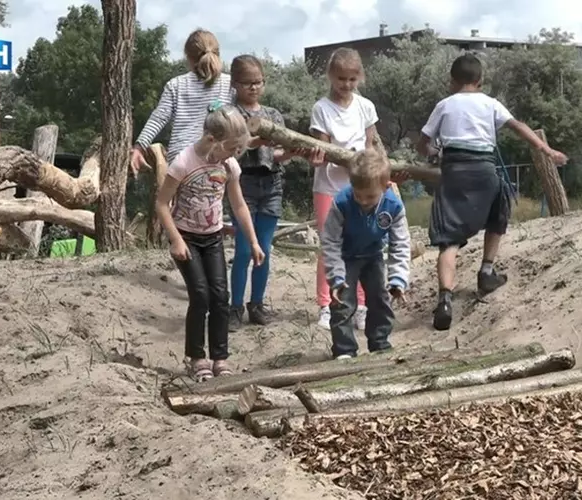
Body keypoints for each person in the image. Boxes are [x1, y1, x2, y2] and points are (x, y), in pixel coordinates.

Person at [417, 53, 568, 331]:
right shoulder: (491, 103)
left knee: (448, 239)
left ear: (452, 81)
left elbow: (423, 142)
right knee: (499, 213)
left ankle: (445, 300)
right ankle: (487, 272)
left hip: (453, 173)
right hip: (485, 171)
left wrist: (433, 153)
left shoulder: (444, 105)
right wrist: (547, 150)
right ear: (480, 81)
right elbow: (519, 127)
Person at [154, 101, 265, 382]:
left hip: (213, 237)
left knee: (220, 297)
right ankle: (196, 357)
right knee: (200, 295)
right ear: (211, 140)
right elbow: (162, 204)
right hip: (187, 238)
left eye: (237, 150)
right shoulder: (183, 163)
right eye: (231, 148)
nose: (234, 154)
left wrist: (253, 241)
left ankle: (220, 358)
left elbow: (238, 205)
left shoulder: (228, 165)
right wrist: (176, 240)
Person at [309, 47, 402, 331]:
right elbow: (323, 147)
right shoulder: (321, 108)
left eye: (351, 79)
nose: (346, 85)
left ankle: (359, 304)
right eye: (341, 79)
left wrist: (376, 170)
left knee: (363, 245)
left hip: (360, 186)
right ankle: (327, 303)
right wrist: (323, 156)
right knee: (331, 245)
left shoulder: (366, 107)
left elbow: (370, 145)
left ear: (359, 77)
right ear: (330, 77)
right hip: (329, 185)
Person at [226, 54, 308, 330]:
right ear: (235, 84)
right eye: (248, 83)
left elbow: (277, 154)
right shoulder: (228, 113)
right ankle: (234, 306)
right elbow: (231, 148)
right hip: (242, 186)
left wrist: (292, 152)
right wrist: (256, 140)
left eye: (258, 82)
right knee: (243, 250)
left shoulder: (272, 115)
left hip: (271, 185)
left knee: (265, 248)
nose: (253, 88)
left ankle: (257, 304)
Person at [320, 148, 411, 359]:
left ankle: (380, 343)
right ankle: (344, 350)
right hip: (345, 256)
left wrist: (398, 279)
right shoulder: (341, 203)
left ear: (386, 187)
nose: (362, 200)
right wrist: (336, 277)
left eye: (369, 196)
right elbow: (330, 241)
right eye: (357, 194)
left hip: (373, 255)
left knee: (379, 298)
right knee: (343, 302)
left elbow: (400, 244)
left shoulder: (394, 206)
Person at [131, 28, 234, 172]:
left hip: (181, 158)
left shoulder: (176, 84)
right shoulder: (231, 84)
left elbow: (158, 118)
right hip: (215, 155)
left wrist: (139, 147)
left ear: (189, 58)